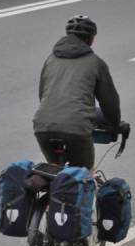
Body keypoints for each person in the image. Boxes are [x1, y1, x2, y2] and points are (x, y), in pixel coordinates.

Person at [33, 15, 121, 170]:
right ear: (91, 39)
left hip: (43, 126)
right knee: (84, 175)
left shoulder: (50, 59)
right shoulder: (96, 63)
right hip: (76, 129)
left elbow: (43, 95)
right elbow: (109, 103)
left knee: (53, 172)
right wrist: (114, 125)